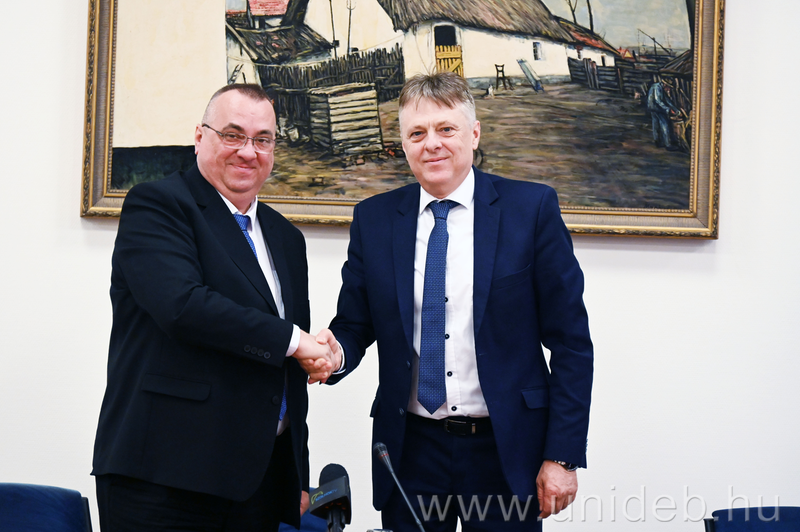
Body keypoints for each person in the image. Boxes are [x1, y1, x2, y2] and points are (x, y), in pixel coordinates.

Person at [317, 71, 594, 531]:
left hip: (504, 449)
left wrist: (562, 455)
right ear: (404, 144)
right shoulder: (375, 219)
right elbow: (354, 323)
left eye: (446, 129)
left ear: (474, 133)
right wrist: (335, 354)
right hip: (411, 450)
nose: (432, 144)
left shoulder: (530, 210)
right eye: (417, 133)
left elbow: (571, 343)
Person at [92, 84, 335, 532]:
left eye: (263, 139)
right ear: (199, 136)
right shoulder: (158, 205)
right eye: (233, 134)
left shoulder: (286, 237)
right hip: (164, 480)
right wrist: (298, 342)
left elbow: (282, 363)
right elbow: (183, 307)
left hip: (258, 483)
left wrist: (296, 471)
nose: (248, 151)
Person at [647, 76, 681, 150]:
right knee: (664, 124)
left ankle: (658, 141)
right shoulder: (657, 87)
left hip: (653, 108)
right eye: (669, 87)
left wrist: (676, 110)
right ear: (665, 85)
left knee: (656, 124)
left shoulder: (660, 88)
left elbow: (667, 100)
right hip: (657, 108)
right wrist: (668, 109)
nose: (669, 89)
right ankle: (668, 144)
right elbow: (658, 101)